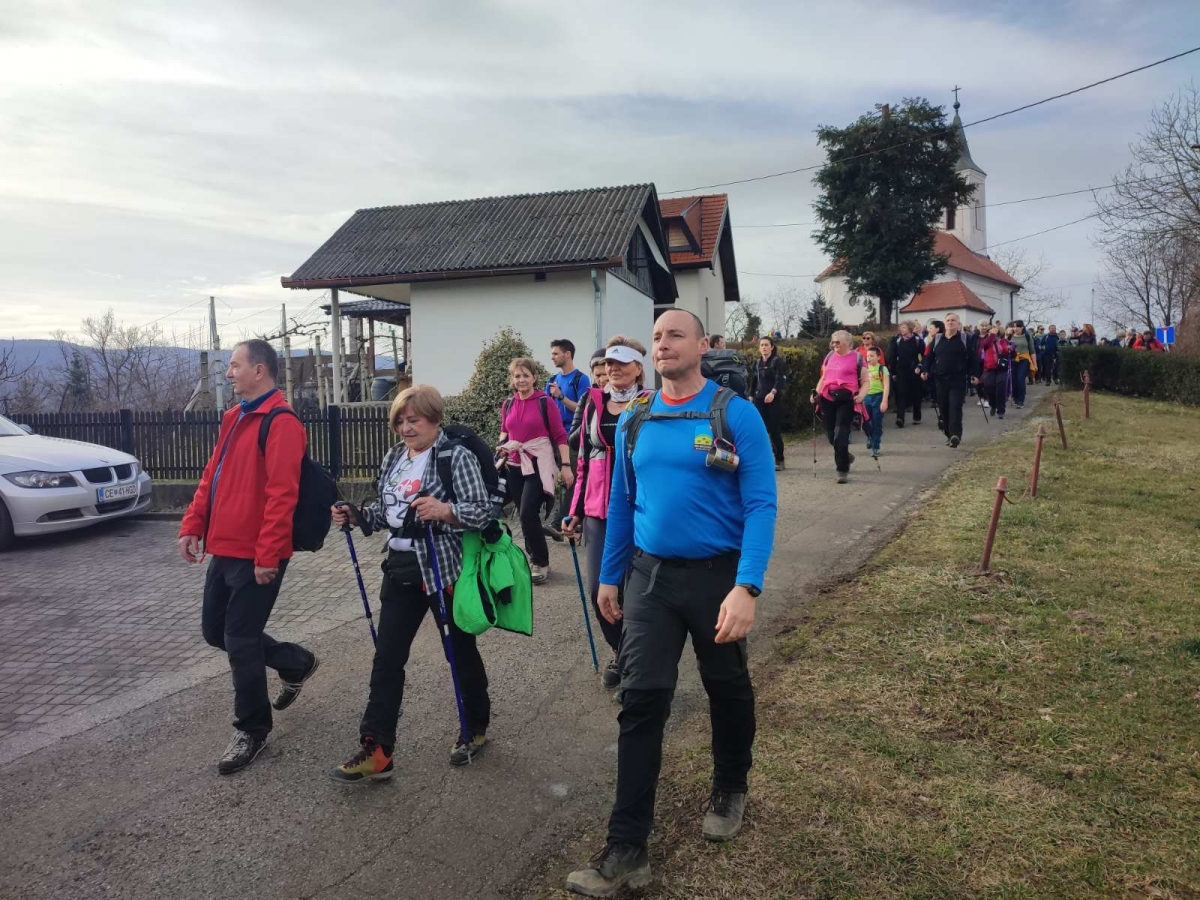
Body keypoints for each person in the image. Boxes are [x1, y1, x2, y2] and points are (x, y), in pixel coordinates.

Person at [564, 310, 776, 896]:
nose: (662, 343)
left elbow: (761, 503)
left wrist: (747, 585)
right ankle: (627, 847)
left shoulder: (736, 414)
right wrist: (610, 578)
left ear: (703, 346)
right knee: (641, 699)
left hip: (718, 579)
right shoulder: (633, 418)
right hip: (649, 580)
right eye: (655, 336)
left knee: (726, 688)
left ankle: (731, 784)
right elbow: (626, 508)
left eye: (675, 334)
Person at [328, 386, 494, 780]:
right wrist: (358, 516)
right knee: (387, 658)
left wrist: (446, 510)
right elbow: (388, 514)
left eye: (413, 419)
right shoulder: (394, 458)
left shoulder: (455, 457)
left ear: (434, 420)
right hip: (401, 567)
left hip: (443, 569)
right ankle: (378, 749)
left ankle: (475, 727)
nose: (405, 427)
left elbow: (485, 510)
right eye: (400, 421)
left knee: (460, 653)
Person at [178, 340, 317, 776]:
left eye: (234, 366)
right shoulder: (234, 418)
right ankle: (296, 662)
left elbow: (282, 495)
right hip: (224, 546)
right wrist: (192, 524)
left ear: (259, 370)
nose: (228, 373)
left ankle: (252, 729)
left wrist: (269, 554)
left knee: (239, 640)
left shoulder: (282, 422)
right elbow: (212, 476)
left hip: (259, 553)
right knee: (215, 631)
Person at [562, 337, 647, 691]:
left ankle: (636, 659)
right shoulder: (594, 402)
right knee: (601, 587)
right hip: (599, 506)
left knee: (635, 589)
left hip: (640, 505)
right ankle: (620, 649)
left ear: (639, 368)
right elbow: (583, 460)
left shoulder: (651, 402)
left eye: (622, 363)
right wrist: (575, 511)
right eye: (609, 362)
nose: (613, 369)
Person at [499, 358, 572, 584]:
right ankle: (533, 558)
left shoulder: (544, 402)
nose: (521, 380)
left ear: (534, 378)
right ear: (513, 379)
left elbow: (560, 435)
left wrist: (566, 467)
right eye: (517, 376)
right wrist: (500, 448)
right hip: (513, 465)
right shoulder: (508, 404)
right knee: (525, 516)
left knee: (527, 514)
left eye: (525, 375)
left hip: (538, 465)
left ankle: (541, 562)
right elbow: (504, 431)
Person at [813, 330, 869, 484]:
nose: (834, 344)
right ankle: (846, 456)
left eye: (838, 342)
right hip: (827, 399)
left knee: (840, 434)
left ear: (848, 343)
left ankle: (842, 469)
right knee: (831, 435)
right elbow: (824, 378)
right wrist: (816, 393)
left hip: (846, 400)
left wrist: (862, 394)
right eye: (833, 341)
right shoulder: (829, 356)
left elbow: (865, 381)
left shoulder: (857, 358)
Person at [922, 313, 976, 448]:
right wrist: (925, 370)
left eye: (953, 320)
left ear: (958, 324)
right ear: (944, 324)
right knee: (944, 408)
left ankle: (955, 435)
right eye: (948, 320)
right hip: (940, 379)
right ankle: (948, 433)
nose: (950, 322)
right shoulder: (938, 339)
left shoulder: (965, 339)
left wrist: (974, 375)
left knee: (955, 406)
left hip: (958, 379)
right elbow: (928, 357)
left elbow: (973, 359)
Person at [753, 335, 787, 471]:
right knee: (760, 430)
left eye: (766, 345)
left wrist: (772, 393)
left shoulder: (777, 361)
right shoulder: (757, 363)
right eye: (762, 345)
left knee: (774, 431)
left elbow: (780, 380)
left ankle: (779, 459)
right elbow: (754, 380)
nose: (764, 347)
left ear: (772, 347)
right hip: (758, 399)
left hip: (773, 400)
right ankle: (762, 459)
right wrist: (750, 395)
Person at [886, 320, 925, 427]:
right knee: (901, 394)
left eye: (904, 327)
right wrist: (893, 372)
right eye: (901, 327)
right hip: (901, 371)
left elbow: (924, 356)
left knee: (916, 394)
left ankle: (917, 416)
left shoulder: (918, 340)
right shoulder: (897, 340)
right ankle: (900, 418)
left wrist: (920, 366)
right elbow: (892, 357)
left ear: (910, 328)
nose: (901, 329)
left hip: (914, 370)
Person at [978, 323, 1011, 420]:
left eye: (995, 333)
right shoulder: (986, 342)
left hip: (1001, 368)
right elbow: (984, 345)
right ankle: (993, 404)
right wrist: (991, 335)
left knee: (1000, 389)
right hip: (989, 368)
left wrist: (1010, 349)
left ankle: (1001, 411)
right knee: (988, 388)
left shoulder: (1003, 341)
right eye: (990, 333)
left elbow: (1006, 352)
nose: (991, 334)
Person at [863, 346, 890, 457]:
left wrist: (884, 400)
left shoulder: (882, 369)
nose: (869, 358)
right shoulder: (864, 369)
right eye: (867, 356)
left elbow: (886, 385)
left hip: (878, 397)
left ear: (878, 357)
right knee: (865, 421)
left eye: (872, 356)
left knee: (876, 422)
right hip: (866, 397)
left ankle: (875, 446)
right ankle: (870, 437)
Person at [1008, 320, 1036, 409]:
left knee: (1020, 379)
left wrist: (1035, 364)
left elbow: (1032, 351)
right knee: (1013, 379)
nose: (1015, 329)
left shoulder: (1027, 336)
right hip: (1013, 360)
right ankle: (1015, 397)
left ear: (1022, 327)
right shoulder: (1010, 336)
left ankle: (1021, 400)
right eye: (1014, 327)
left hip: (1024, 359)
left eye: (1018, 327)